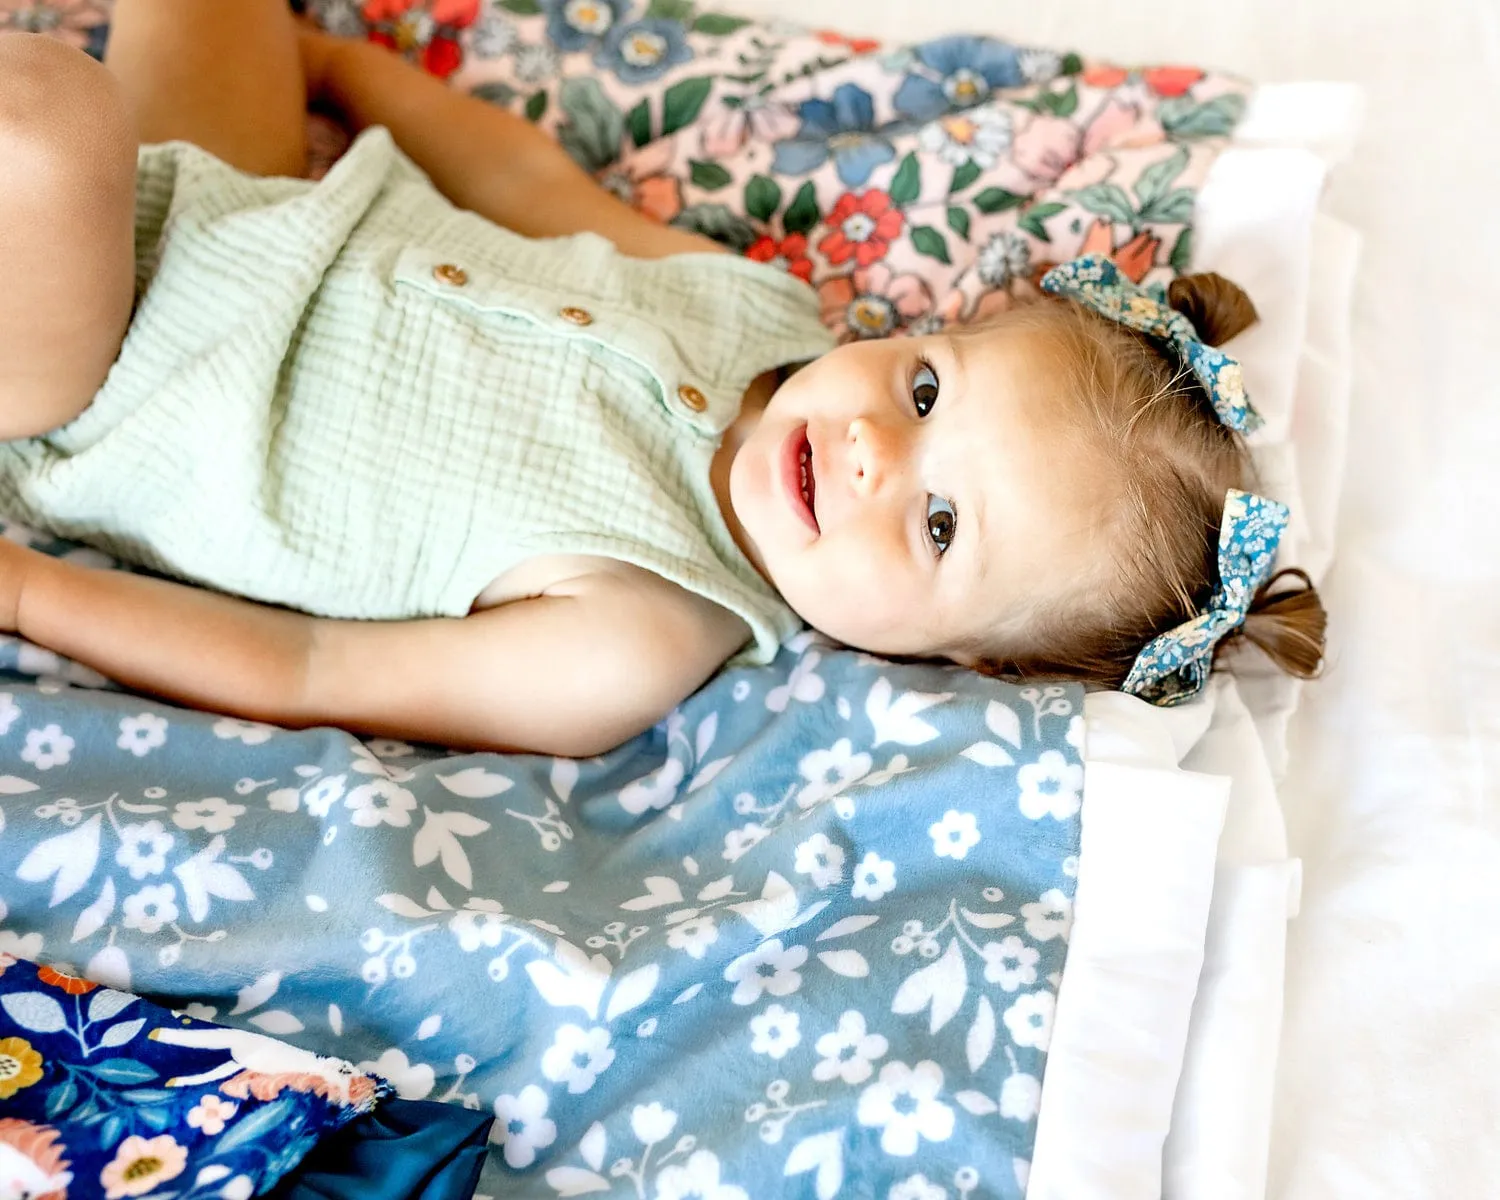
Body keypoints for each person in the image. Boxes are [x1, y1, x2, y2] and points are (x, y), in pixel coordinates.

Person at [0, 3, 1324, 756]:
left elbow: (301, 666)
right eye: (926, 394)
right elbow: (526, 186)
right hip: (234, 198)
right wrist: (346, 69)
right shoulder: (754, 307)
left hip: (109, 380)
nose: (872, 450)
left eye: (936, 524)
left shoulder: (634, 634)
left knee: (47, 124)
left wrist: (29, 593)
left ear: (960, 655)